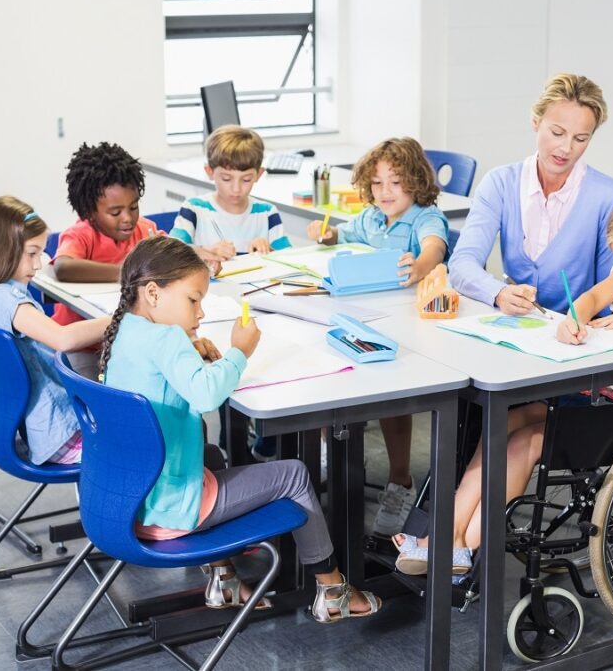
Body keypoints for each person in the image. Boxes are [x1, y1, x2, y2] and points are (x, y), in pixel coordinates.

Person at [394, 196, 613, 574]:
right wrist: (574, 319)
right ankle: (450, 539)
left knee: (526, 442)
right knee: (504, 420)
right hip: (597, 394)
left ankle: (457, 543)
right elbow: (594, 296)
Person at [100, 237, 380, 622]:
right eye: (193, 300)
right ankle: (333, 590)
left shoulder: (127, 331)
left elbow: (166, 379)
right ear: (152, 293)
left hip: (129, 502)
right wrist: (239, 351)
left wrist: (193, 353)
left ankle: (225, 579)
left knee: (212, 455)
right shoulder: (168, 338)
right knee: (295, 475)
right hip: (170, 511)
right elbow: (206, 396)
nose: (200, 312)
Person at [307, 137, 450, 537]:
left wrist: (420, 265)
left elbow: (434, 248)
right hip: (365, 319)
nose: (384, 192)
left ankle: (400, 480)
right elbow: (345, 235)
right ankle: (329, 458)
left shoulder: (424, 218)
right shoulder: (369, 218)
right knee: (328, 371)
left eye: (395, 183)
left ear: (417, 183)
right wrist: (331, 239)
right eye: (377, 183)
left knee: (393, 402)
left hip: (408, 329)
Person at [448, 72, 613, 315]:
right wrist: (498, 292)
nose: (566, 148)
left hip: (579, 335)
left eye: (581, 138)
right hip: (515, 328)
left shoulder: (608, 196)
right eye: (557, 132)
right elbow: (462, 263)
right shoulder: (499, 184)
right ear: (535, 121)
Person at [0, 196, 110, 465]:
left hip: (48, 427)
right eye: (32, 253)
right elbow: (64, 339)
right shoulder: (6, 300)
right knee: (144, 445)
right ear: (0, 250)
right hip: (61, 435)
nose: (38, 265)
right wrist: (120, 316)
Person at [50, 142, 162, 376]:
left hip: (128, 342)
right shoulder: (81, 234)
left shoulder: (145, 230)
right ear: (90, 210)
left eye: (133, 207)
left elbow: (171, 258)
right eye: (115, 212)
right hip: (84, 346)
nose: (127, 218)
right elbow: (63, 267)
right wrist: (123, 271)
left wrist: (200, 254)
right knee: (96, 397)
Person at [170, 124, 291, 261]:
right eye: (226, 179)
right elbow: (171, 252)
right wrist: (205, 251)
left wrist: (269, 250)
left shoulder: (267, 212)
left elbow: (289, 259)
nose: (236, 189)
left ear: (259, 174)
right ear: (209, 172)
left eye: (246, 179)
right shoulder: (194, 209)